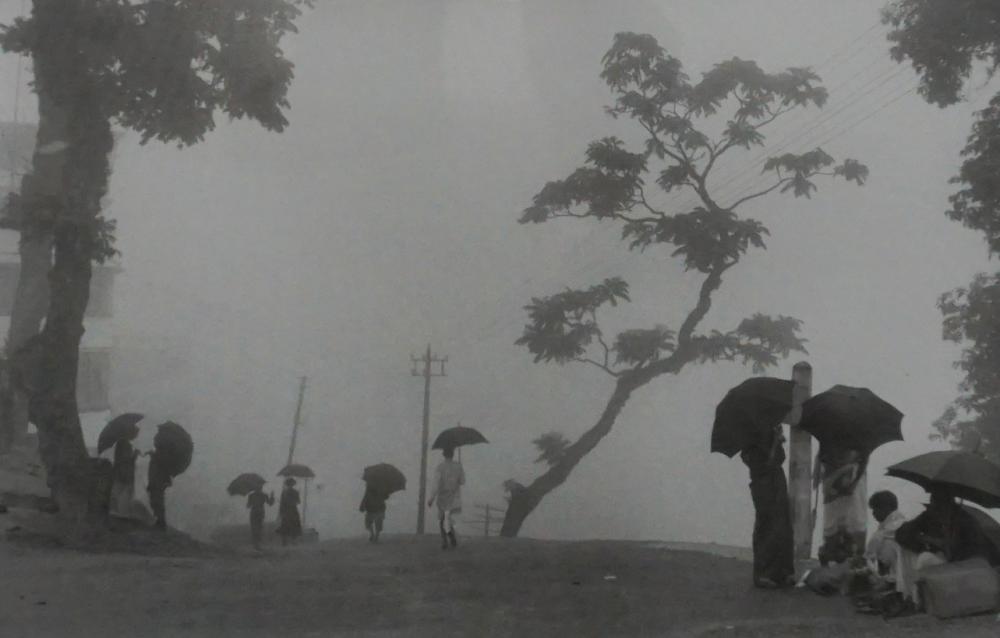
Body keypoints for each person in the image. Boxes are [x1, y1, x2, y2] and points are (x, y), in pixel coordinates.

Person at [741, 423, 794, 589]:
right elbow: (765, 465)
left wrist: (778, 440)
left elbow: (780, 458)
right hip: (763, 484)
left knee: (783, 525)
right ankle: (763, 573)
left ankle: (782, 572)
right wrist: (774, 443)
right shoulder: (751, 442)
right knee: (767, 525)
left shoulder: (771, 430)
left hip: (777, 481)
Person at [815, 446, 868, 566]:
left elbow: (864, 458)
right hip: (834, 497)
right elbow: (826, 486)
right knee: (832, 532)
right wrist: (843, 470)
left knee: (855, 527)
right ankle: (830, 561)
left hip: (853, 494)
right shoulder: (828, 446)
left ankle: (856, 563)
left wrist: (853, 483)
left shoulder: (859, 456)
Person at [428, 445, 464, 550]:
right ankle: (451, 537)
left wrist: (431, 498)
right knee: (446, 519)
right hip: (454, 497)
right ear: (453, 455)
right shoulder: (458, 466)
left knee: (443, 519)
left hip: (443, 497)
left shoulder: (440, 467)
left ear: (444, 455)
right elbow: (462, 481)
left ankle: (445, 541)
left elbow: (436, 484)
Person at [865, 490, 906, 577]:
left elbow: (871, 552)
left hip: (896, 577)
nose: (873, 513)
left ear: (886, 508)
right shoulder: (903, 522)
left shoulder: (885, 532)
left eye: (876, 509)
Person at [110, 428, 140, 518]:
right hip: (124, 473)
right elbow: (126, 460)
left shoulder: (122, 443)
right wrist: (135, 454)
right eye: (135, 433)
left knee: (118, 491)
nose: (136, 436)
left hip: (121, 472)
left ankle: (118, 511)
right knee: (122, 491)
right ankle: (122, 513)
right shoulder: (124, 444)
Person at [146, 449, 172, 531]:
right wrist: (150, 485)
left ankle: (161, 523)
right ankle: (159, 521)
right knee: (155, 503)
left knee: (158, 503)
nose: (150, 455)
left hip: (158, 486)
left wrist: (166, 483)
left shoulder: (159, 462)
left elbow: (162, 474)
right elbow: (151, 474)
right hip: (155, 486)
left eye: (151, 454)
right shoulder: (154, 461)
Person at [247, 485, 274, 550]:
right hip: (260, 512)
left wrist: (251, 502)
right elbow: (270, 503)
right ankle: (257, 544)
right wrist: (272, 496)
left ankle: (256, 544)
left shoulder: (251, 495)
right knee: (259, 527)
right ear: (261, 488)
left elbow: (248, 505)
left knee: (254, 528)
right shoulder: (264, 495)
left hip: (254, 512)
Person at [277, 477, 303, 546]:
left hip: (287, 511)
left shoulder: (285, 492)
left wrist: (281, 512)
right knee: (291, 525)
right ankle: (291, 542)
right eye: (290, 484)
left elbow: (282, 503)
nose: (290, 485)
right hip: (292, 510)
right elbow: (298, 502)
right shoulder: (294, 492)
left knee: (286, 525)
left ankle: (286, 542)